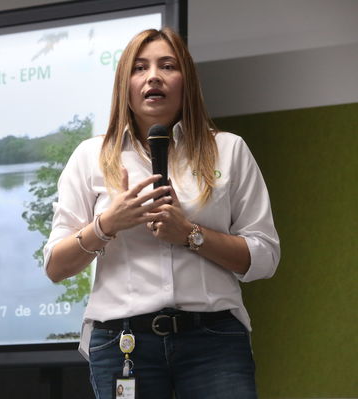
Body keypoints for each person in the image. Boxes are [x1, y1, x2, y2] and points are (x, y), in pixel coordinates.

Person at [43, 28, 280, 399]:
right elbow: (56, 266)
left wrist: (190, 234)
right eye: (140, 68)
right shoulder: (90, 157)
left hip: (213, 341)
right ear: (125, 84)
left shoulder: (229, 150)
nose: (153, 76)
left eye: (167, 66)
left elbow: (264, 258)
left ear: (186, 80)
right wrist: (106, 225)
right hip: (123, 343)